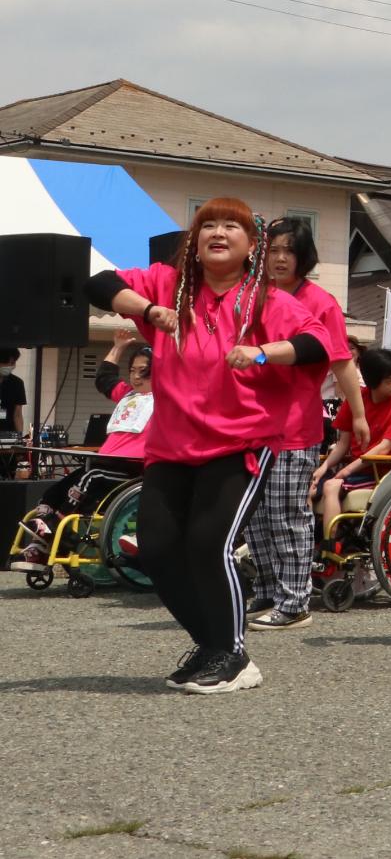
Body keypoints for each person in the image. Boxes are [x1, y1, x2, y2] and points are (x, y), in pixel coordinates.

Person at [86, 197, 334, 693]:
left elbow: (318, 343)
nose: (217, 233)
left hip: (240, 443)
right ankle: (215, 644)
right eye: (207, 226)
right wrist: (150, 310)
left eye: (231, 227)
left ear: (251, 247)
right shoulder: (167, 286)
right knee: (154, 549)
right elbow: (98, 283)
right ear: (195, 244)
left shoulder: (269, 301)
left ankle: (234, 655)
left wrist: (263, 353)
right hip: (171, 444)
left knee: (207, 544)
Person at [246, 216, 366, 631]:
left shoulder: (320, 302)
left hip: (295, 426)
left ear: (304, 257)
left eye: (288, 251)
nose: (279, 258)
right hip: (248, 424)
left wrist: (360, 414)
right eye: (273, 250)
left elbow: (342, 362)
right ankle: (265, 590)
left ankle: (294, 600)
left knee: (286, 515)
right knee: (255, 516)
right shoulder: (252, 295)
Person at [16, 332, 153, 564]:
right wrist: (118, 347)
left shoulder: (167, 397)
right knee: (59, 488)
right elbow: (104, 378)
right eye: (132, 370)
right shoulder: (126, 395)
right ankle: (40, 541)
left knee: (90, 479)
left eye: (143, 371)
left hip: (132, 468)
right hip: (105, 462)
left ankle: (58, 532)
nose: (136, 377)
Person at [310, 346, 391, 541]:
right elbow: (343, 444)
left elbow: (384, 449)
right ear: (372, 380)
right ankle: (312, 542)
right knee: (308, 485)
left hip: (383, 471)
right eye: (389, 380)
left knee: (331, 486)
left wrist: (343, 472)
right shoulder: (356, 399)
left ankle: (330, 545)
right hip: (356, 469)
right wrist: (324, 467)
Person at [0, 347, 24, 435]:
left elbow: (17, 415)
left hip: (9, 434)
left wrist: (20, 437)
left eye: (14, 363)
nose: (13, 366)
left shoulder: (17, 383)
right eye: (11, 363)